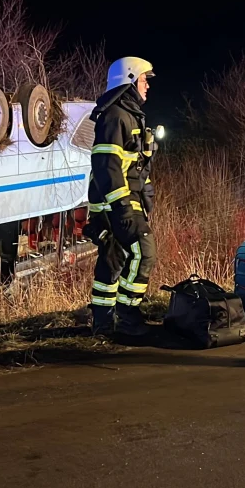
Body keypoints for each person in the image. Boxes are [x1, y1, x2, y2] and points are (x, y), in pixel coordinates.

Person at [82, 56, 159, 338]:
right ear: (129, 81)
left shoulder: (127, 114)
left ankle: (104, 323)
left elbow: (134, 165)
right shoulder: (116, 117)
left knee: (113, 259)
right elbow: (107, 167)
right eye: (143, 81)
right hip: (115, 204)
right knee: (144, 251)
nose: (147, 87)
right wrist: (123, 207)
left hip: (124, 201)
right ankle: (127, 315)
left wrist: (145, 195)